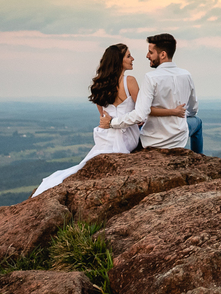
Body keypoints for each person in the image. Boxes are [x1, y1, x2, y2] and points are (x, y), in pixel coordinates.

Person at [31, 43, 184, 197]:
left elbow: (103, 117)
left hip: (105, 135)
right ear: (119, 61)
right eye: (128, 56)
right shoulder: (129, 81)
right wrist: (173, 111)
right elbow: (145, 111)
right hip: (127, 136)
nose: (133, 59)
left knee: (83, 165)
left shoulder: (99, 85)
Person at [101, 33, 200, 151]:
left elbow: (140, 114)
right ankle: (199, 155)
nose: (147, 56)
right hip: (178, 139)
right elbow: (193, 109)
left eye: (151, 52)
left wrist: (112, 122)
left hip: (153, 140)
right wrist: (177, 114)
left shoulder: (151, 77)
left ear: (163, 54)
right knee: (197, 122)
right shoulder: (186, 75)